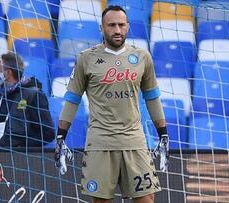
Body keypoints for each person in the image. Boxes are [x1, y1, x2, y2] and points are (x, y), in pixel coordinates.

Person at [54, 5, 169, 203]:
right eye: (112, 25)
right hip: (100, 142)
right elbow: (72, 100)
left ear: (128, 27)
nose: (117, 30)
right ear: (102, 28)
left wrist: (163, 134)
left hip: (134, 141)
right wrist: (60, 136)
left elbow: (152, 97)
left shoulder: (142, 57)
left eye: (121, 25)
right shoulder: (86, 58)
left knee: (147, 199)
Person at [0, 52, 55, 148]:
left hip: (20, 158)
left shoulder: (33, 95)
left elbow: (48, 134)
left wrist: (20, 146)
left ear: (8, 73)